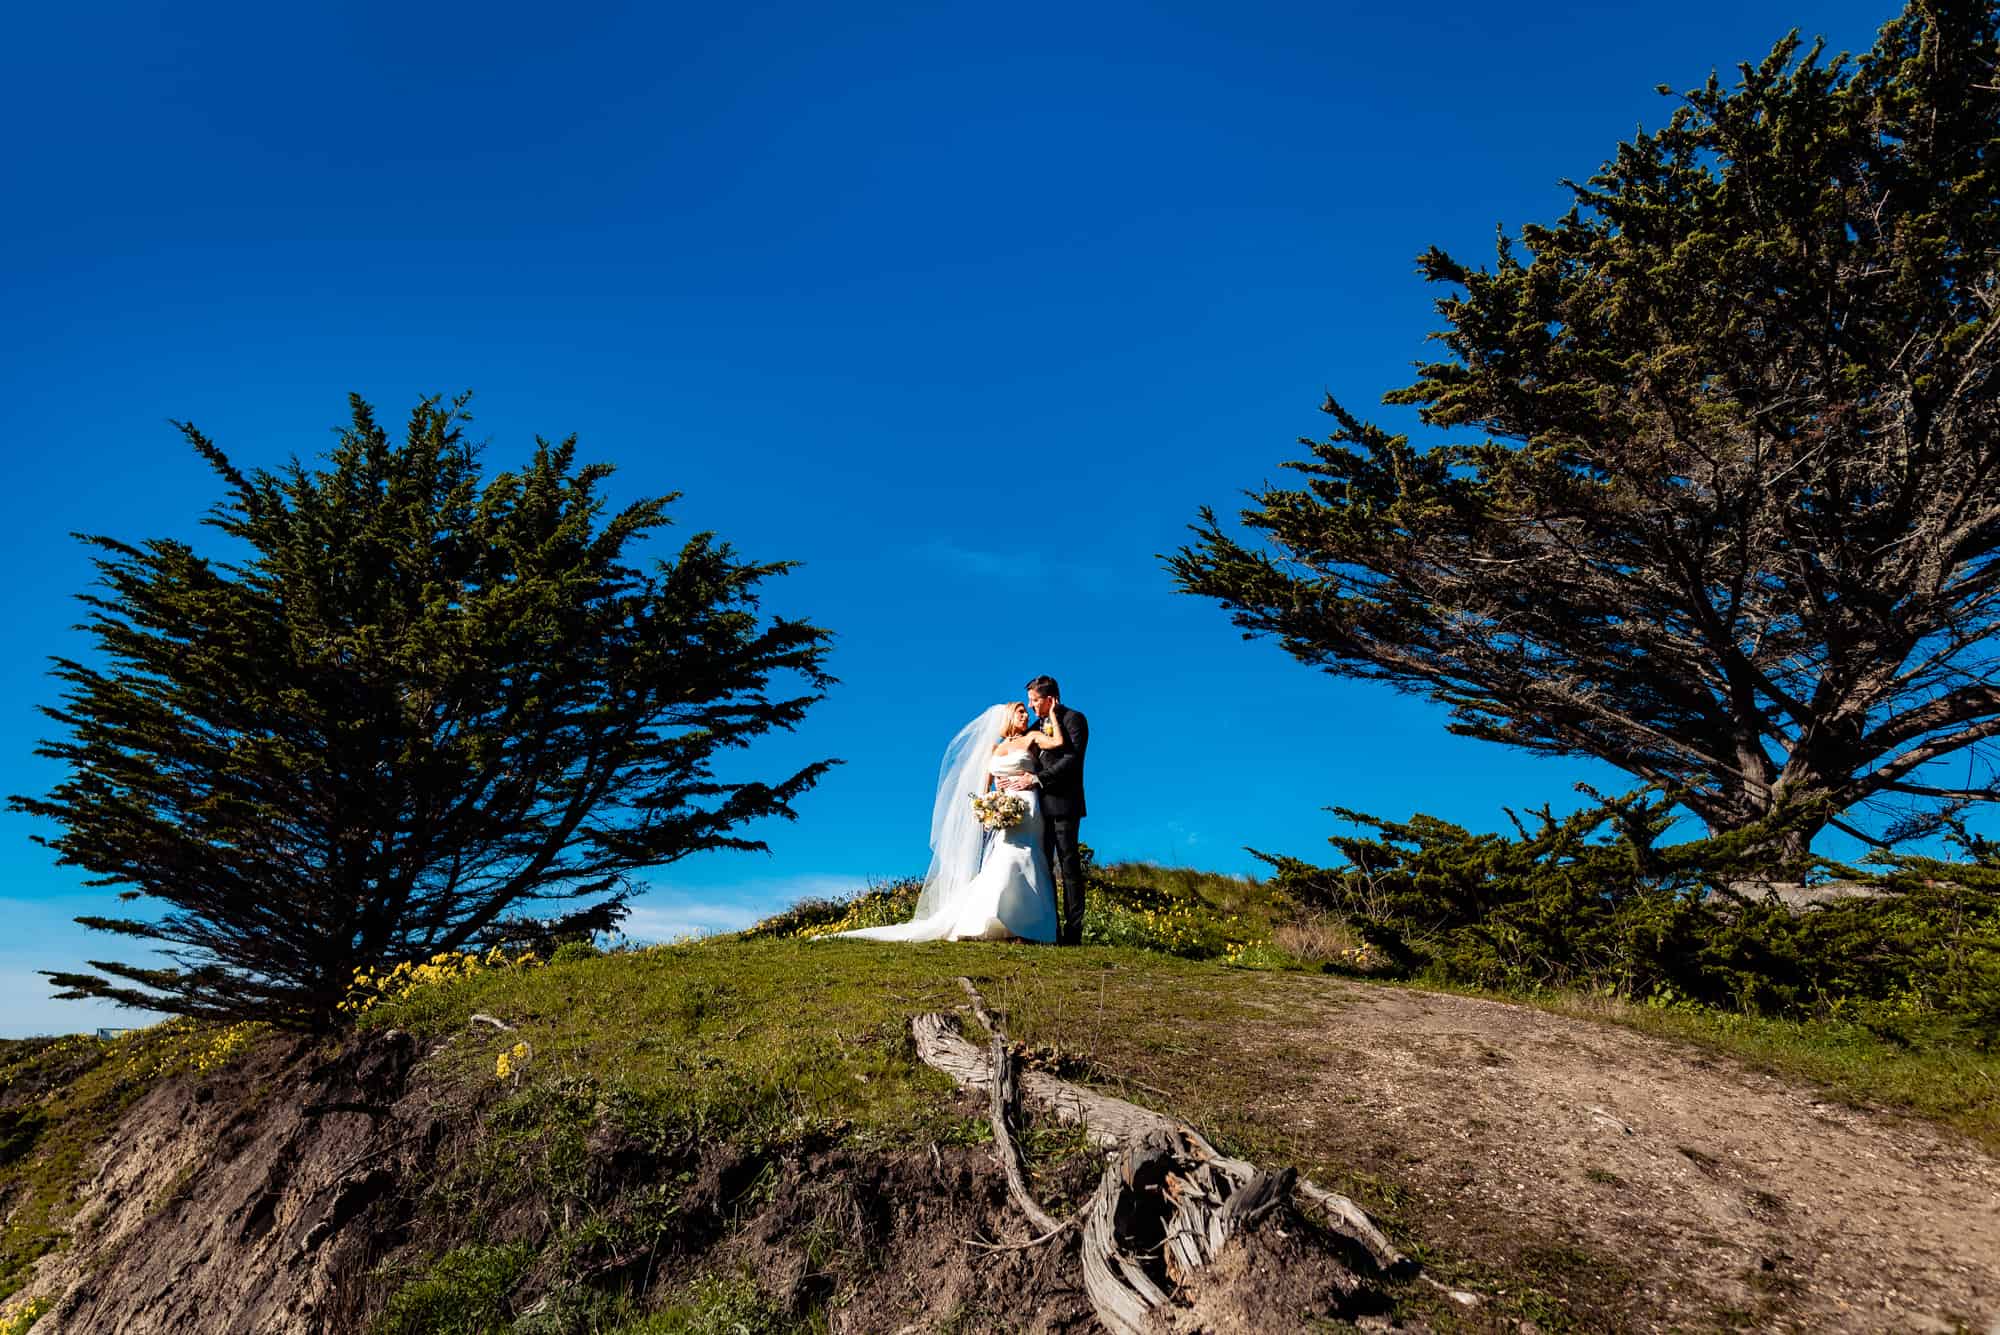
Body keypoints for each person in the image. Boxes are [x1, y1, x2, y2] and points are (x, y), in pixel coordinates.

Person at [832, 701, 1059, 942]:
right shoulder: (993, 748)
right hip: (1005, 805)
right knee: (1004, 856)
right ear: (1008, 718)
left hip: (1027, 803)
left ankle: (1027, 926)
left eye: (1026, 711)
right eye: (1020, 711)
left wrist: (1053, 714)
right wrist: (991, 805)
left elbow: (1057, 743)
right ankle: (994, 919)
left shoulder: (1032, 738)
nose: (1025, 715)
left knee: (1025, 854)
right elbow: (986, 785)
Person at [998, 675, 1088, 945]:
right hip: (1036, 811)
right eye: (1029, 701)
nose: (1032, 706)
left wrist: (1036, 780)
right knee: (1043, 868)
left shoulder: (1074, 719)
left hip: (1064, 805)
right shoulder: (1035, 728)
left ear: (1051, 699)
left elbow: (1072, 760)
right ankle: (1049, 930)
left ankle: (1073, 934)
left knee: (1069, 867)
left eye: (1035, 700)